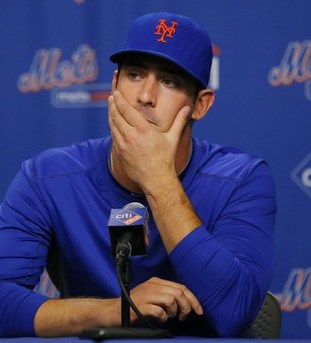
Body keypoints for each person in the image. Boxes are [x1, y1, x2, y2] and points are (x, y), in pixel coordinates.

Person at [0, 12, 276, 338]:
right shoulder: (47, 178)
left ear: (201, 105)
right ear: (114, 85)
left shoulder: (241, 179)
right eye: (134, 75)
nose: (145, 96)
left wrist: (157, 178)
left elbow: (236, 311)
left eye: (169, 81)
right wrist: (117, 309)